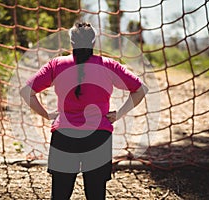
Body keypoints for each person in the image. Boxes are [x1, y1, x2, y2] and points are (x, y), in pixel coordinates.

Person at [20, 22, 148, 200]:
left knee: (60, 194)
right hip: (98, 137)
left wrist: (47, 115)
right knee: (96, 195)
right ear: (93, 43)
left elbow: (26, 91)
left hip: (64, 136)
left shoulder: (56, 65)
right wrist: (118, 114)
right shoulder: (108, 65)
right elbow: (141, 89)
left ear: (71, 42)